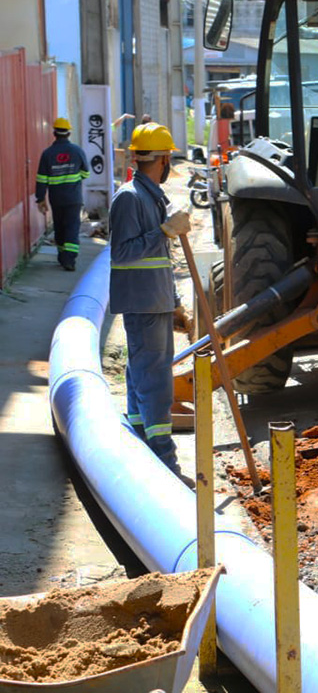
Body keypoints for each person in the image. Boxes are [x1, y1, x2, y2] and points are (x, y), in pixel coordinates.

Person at [109, 121, 189, 476]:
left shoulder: (152, 195)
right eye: (169, 157)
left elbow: (163, 260)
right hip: (141, 301)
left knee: (142, 373)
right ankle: (163, 457)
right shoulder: (129, 197)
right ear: (162, 159)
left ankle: (140, 439)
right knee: (153, 377)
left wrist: (173, 300)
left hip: (154, 299)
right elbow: (122, 254)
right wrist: (164, 231)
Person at [35, 118, 89, 271]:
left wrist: (40, 199)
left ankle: (61, 255)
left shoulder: (47, 154)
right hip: (74, 198)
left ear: (54, 133)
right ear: (69, 133)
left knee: (59, 226)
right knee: (72, 227)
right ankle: (69, 260)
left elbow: (41, 179)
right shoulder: (77, 151)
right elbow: (86, 173)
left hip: (56, 199)